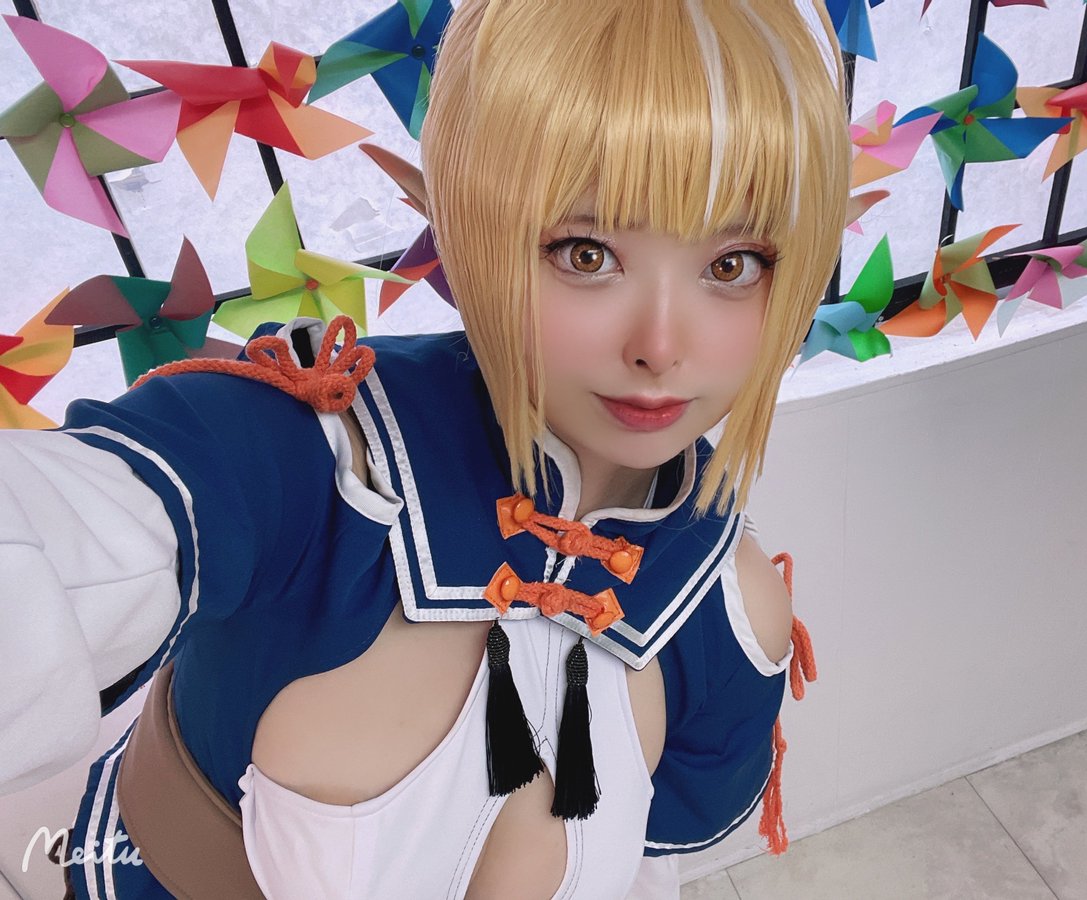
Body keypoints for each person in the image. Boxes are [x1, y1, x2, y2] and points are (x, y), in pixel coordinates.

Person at [0, 0, 849, 896]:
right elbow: (65, 538)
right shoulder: (311, 450)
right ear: (468, 227)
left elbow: (649, 867)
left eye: (731, 265)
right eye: (586, 254)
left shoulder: (731, 611)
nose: (660, 347)